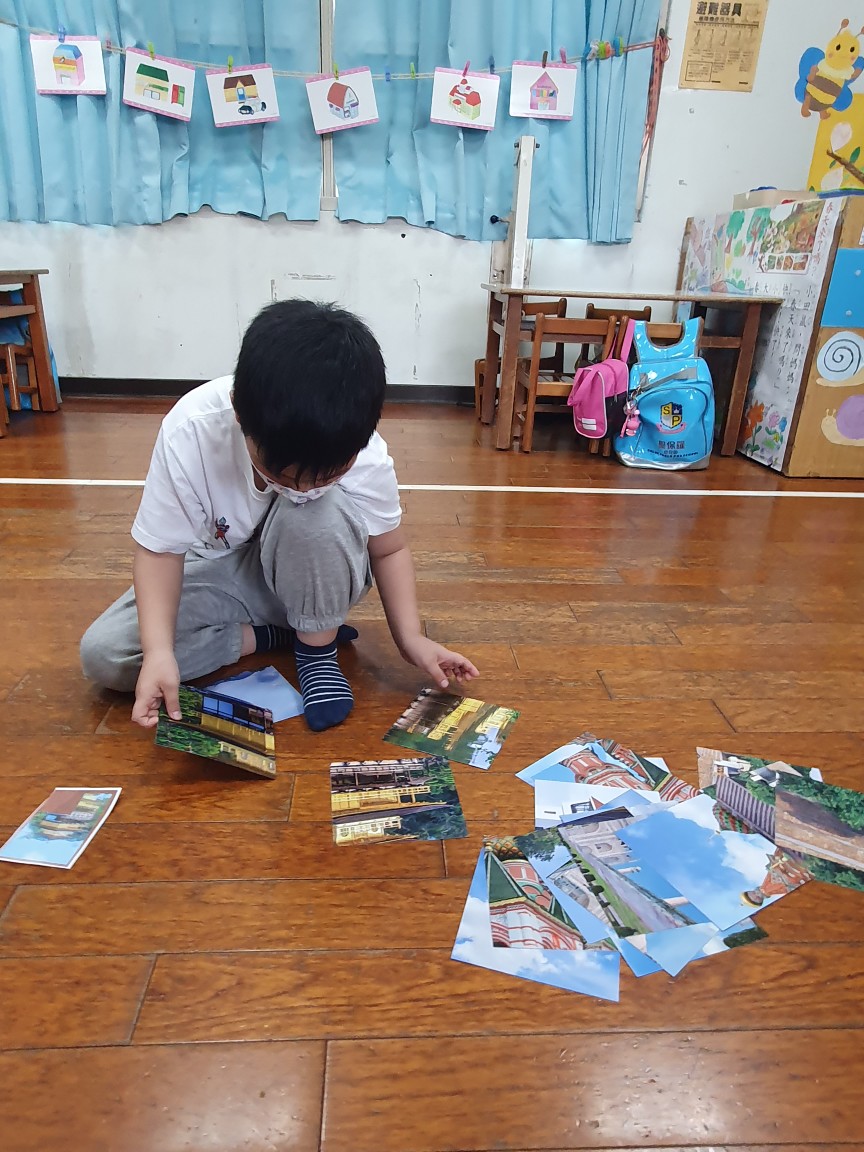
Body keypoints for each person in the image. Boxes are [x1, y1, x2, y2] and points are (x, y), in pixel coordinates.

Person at [80, 299, 479, 732]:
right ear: (238, 412)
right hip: (228, 574)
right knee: (107, 655)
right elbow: (160, 553)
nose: (304, 488)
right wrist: (159, 653)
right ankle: (272, 635)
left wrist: (411, 639)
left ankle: (317, 649)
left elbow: (388, 550)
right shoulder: (191, 431)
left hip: (319, 575)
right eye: (282, 476)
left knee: (315, 514)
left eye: (329, 474)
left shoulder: (359, 447)